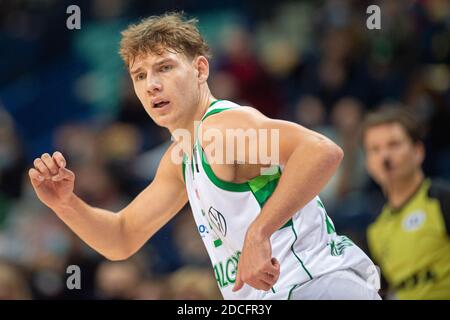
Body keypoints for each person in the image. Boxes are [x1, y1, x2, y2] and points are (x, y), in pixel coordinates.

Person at [28, 12, 380, 300]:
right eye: (140, 75)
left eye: (164, 67)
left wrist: (259, 233)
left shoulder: (221, 129)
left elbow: (321, 151)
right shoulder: (182, 156)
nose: (151, 84)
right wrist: (65, 205)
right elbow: (121, 237)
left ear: (199, 69)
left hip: (316, 286)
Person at [363, 108, 450, 299]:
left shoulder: (442, 200)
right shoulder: (375, 229)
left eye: (393, 145)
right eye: (374, 149)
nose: (384, 156)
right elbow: (377, 291)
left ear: (418, 151)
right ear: (368, 163)